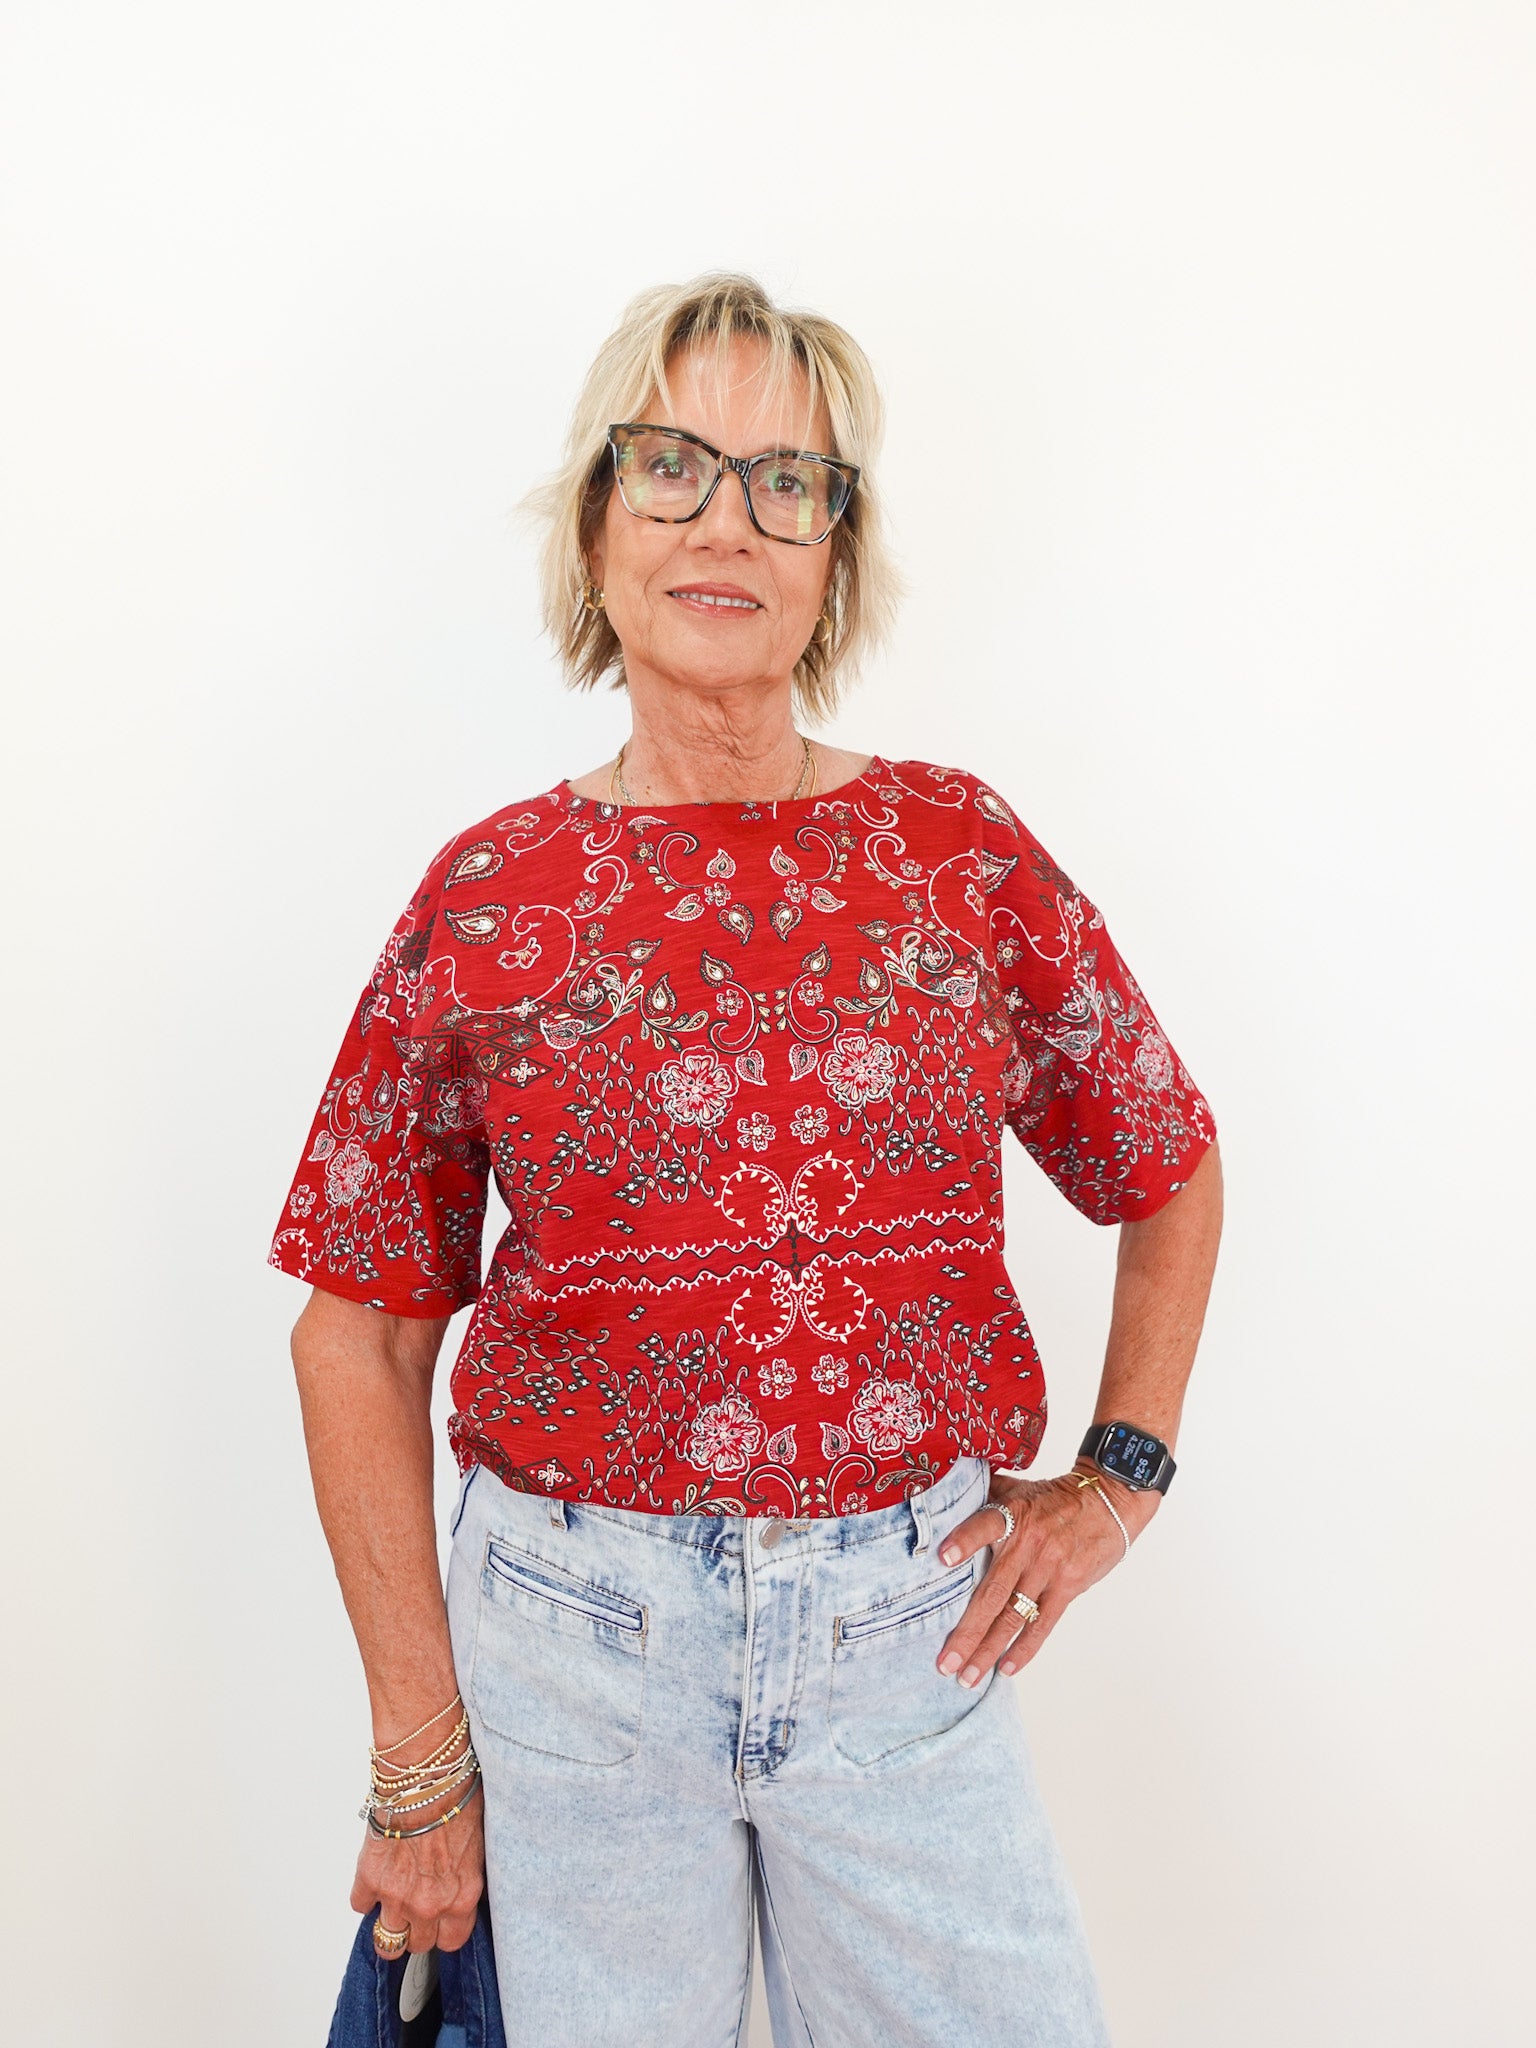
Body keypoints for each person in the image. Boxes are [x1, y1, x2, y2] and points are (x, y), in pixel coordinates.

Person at [270, 272, 1223, 2047]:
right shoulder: (486, 901)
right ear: (595, 528)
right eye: (674, 467)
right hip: (574, 1655)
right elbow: (361, 1333)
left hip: (913, 1648)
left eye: (790, 482)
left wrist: (1119, 1476)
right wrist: (419, 1762)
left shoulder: (958, 855)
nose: (732, 521)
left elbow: (1163, 1155)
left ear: (838, 556)